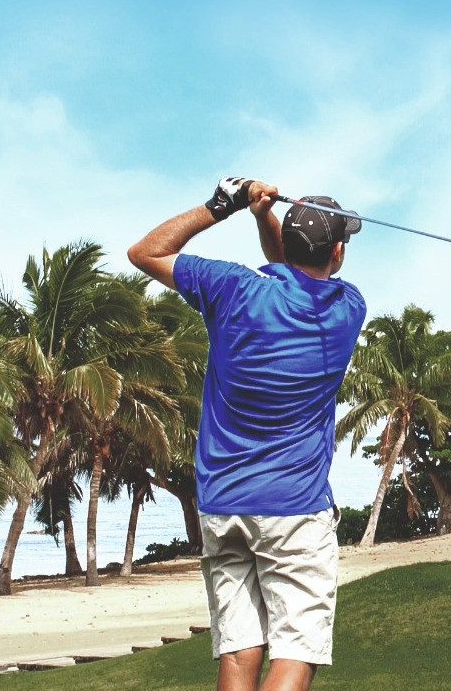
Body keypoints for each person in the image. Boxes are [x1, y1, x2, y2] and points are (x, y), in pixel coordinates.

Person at [129, 177, 367, 691]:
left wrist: (228, 207)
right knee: (295, 651)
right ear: (339, 252)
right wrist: (266, 221)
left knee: (239, 651)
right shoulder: (347, 309)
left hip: (222, 502)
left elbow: (145, 252)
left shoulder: (233, 288)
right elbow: (294, 270)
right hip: (295, 509)